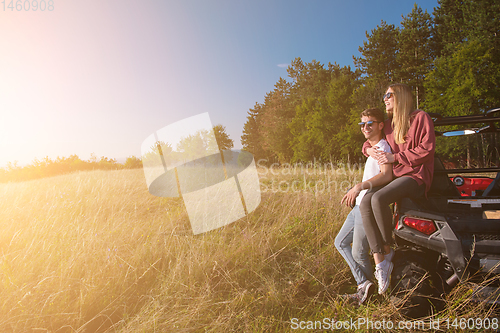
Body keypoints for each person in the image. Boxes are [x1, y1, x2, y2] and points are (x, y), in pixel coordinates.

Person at [360, 83, 435, 295]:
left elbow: (427, 150)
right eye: (384, 95)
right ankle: (381, 261)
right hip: (398, 176)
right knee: (367, 200)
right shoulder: (390, 124)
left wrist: (395, 157)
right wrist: (369, 150)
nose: (385, 99)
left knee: (378, 199)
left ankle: (387, 248)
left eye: (388, 95)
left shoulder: (420, 118)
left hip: (416, 176)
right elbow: (370, 140)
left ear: (400, 97)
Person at [335, 108, 393, 305]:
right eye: (362, 124)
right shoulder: (372, 147)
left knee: (359, 252)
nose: (365, 127)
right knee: (340, 242)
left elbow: (387, 175)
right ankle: (365, 284)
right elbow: (366, 149)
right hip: (358, 205)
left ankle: (369, 294)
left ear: (380, 125)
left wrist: (360, 186)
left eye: (370, 123)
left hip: (365, 208)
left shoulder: (384, 147)